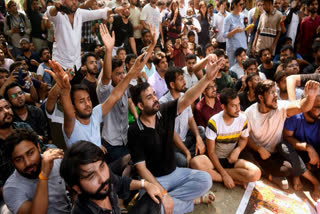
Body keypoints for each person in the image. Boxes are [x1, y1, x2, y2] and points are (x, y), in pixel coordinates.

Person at [127, 57, 226, 213]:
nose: (154, 99)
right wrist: (163, 192)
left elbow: (187, 98)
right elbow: (142, 170)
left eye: (154, 94)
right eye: (149, 97)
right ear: (140, 106)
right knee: (150, 209)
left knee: (205, 180)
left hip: (175, 173)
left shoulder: (163, 111)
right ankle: (186, 202)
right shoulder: (134, 130)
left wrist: (207, 78)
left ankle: (166, 204)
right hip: (155, 180)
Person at [45, 46, 151, 148]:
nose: (87, 104)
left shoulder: (94, 114)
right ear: (73, 106)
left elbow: (115, 95)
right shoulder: (71, 123)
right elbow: (58, 104)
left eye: (88, 99)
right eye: (81, 101)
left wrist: (96, 145)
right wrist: (63, 89)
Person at [245, 79, 320, 194]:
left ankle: (267, 174)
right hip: (258, 153)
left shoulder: (281, 108)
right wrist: (259, 149)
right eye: (271, 92)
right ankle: (269, 176)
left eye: (276, 91)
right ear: (260, 97)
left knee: (287, 168)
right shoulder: (249, 113)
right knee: (246, 158)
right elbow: (245, 138)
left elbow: (301, 107)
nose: (276, 95)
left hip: (274, 154)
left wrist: (311, 96)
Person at [96, 24, 153, 162]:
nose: (122, 76)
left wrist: (153, 44)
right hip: (111, 144)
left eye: (123, 73)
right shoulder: (104, 90)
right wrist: (109, 50)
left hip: (124, 139)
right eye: (118, 74)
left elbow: (138, 67)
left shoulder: (124, 86)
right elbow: (106, 78)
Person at [60, 140, 162, 214]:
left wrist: (146, 184)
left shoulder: (107, 181)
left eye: (102, 166)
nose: (103, 178)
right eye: (91, 177)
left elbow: (122, 183)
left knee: (155, 196)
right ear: (77, 188)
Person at [191, 88, 261, 188]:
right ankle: (233, 180)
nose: (238, 109)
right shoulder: (214, 122)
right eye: (233, 106)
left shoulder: (242, 119)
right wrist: (224, 175)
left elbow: (244, 139)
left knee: (255, 173)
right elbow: (211, 152)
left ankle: (215, 174)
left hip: (231, 159)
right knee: (195, 163)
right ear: (223, 106)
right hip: (214, 160)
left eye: (238, 104)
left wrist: (238, 150)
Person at [3, 128, 71, 214]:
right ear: (12, 162)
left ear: (38, 147)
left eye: (30, 153)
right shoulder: (11, 188)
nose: (27, 163)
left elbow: (74, 189)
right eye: (19, 159)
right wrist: (44, 174)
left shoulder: (56, 161)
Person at [45, 0, 123, 70]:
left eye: (76, 0)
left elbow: (98, 13)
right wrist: (57, 7)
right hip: (60, 65)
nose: (74, 2)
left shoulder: (79, 13)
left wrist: (114, 10)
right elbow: (50, 13)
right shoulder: (58, 14)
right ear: (63, 1)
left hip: (76, 65)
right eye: (71, 0)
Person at [159, 67, 206, 167]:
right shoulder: (163, 102)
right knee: (183, 161)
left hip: (186, 140)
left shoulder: (185, 96)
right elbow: (171, 133)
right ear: (172, 84)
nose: (184, 82)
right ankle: (192, 157)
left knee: (201, 130)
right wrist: (186, 152)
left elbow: (191, 119)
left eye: (183, 78)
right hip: (173, 145)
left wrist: (198, 138)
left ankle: (192, 156)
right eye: (180, 79)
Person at [283, 92, 320, 200]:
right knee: (283, 146)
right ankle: (314, 181)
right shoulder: (295, 116)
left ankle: (300, 172)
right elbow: (287, 137)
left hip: (316, 157)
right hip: (299, 152)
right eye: (317, 107)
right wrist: (308, 147)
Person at [223, 0, 248, 66]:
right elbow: (224, 34)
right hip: (233, 48)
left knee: (243, 67)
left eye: (243, 4)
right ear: (234, 5)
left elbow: (245, 30)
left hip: (242, 47)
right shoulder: (228, 18)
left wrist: (248, 28)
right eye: (240, 4)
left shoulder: (243, 16)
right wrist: (234, 31)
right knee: (233, 68)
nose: (242, 6)